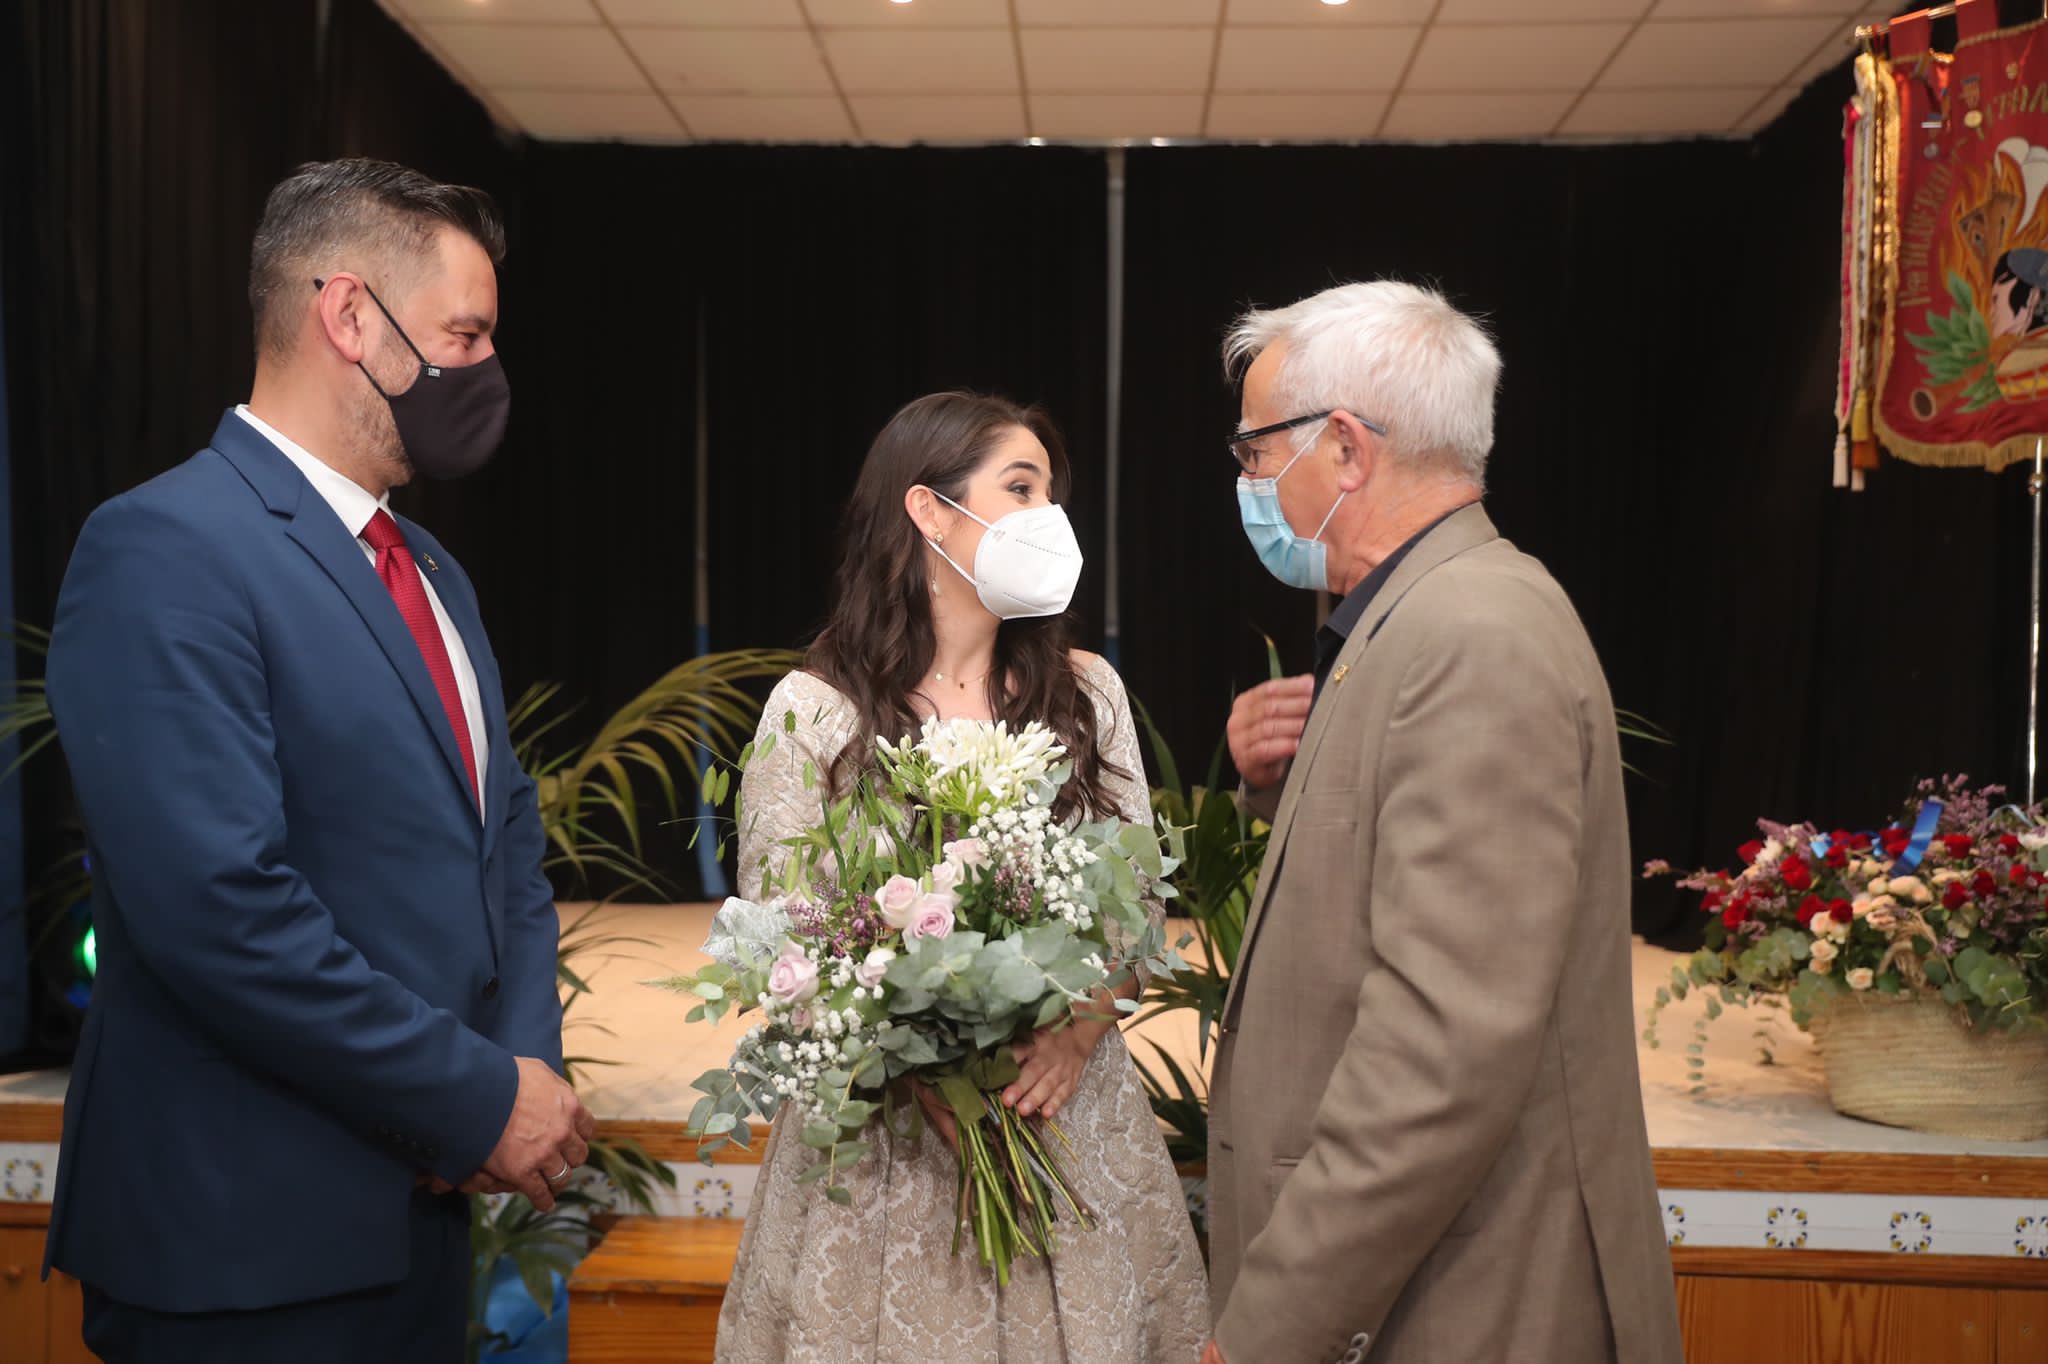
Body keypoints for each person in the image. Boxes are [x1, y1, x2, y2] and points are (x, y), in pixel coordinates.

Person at [43, 158, 592, 1362]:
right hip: (240, 1250)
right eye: (463, 336)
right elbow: (219, 909)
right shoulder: (165, 545)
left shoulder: (436, 574)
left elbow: (505, 850)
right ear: (348, 314)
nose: (483, 372)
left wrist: (519, 1074)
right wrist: (470, 1098)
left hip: (420, 1224)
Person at [1201, 282, 1684, 1364]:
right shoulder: (1415, 615)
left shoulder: (1472, 635)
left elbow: (1440, 1052)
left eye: (1255, 450)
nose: (1248, 481)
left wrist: (1268, 1329)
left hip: (1465, 1303)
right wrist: (1277, 785)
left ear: (1344, 448)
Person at [715, 392, 1210, 1362]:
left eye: (1051, 493)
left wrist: (1074, 1033)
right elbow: (791, 938)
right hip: (887, 1141)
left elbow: (1139, 905)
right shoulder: (813, 710)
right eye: (1019, 488)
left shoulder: (1088, 693)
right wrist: (927, 1062)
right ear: (928, 511)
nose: (1045, 516)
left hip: (1063, 1108)